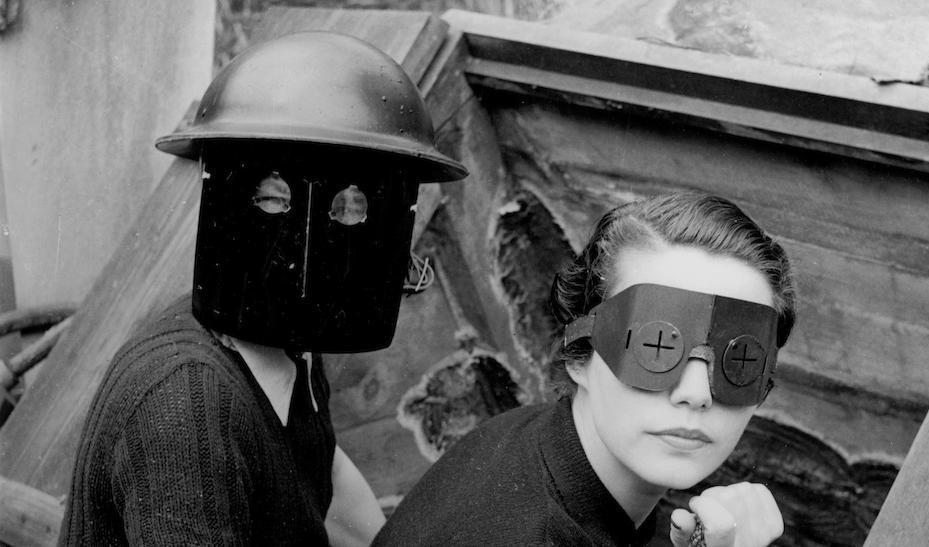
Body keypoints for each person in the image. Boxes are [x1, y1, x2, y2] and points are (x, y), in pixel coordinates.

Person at [60, 31, 467, 545]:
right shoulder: (187, 406)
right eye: (273, 201)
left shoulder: (291, 347)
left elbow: (325, 478)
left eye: (354, 209)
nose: (321, 241)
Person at [374, 192, 796, 546]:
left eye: (740, 360)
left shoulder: (535, 444)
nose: (696, 393)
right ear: (580, 354)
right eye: (654, 347)